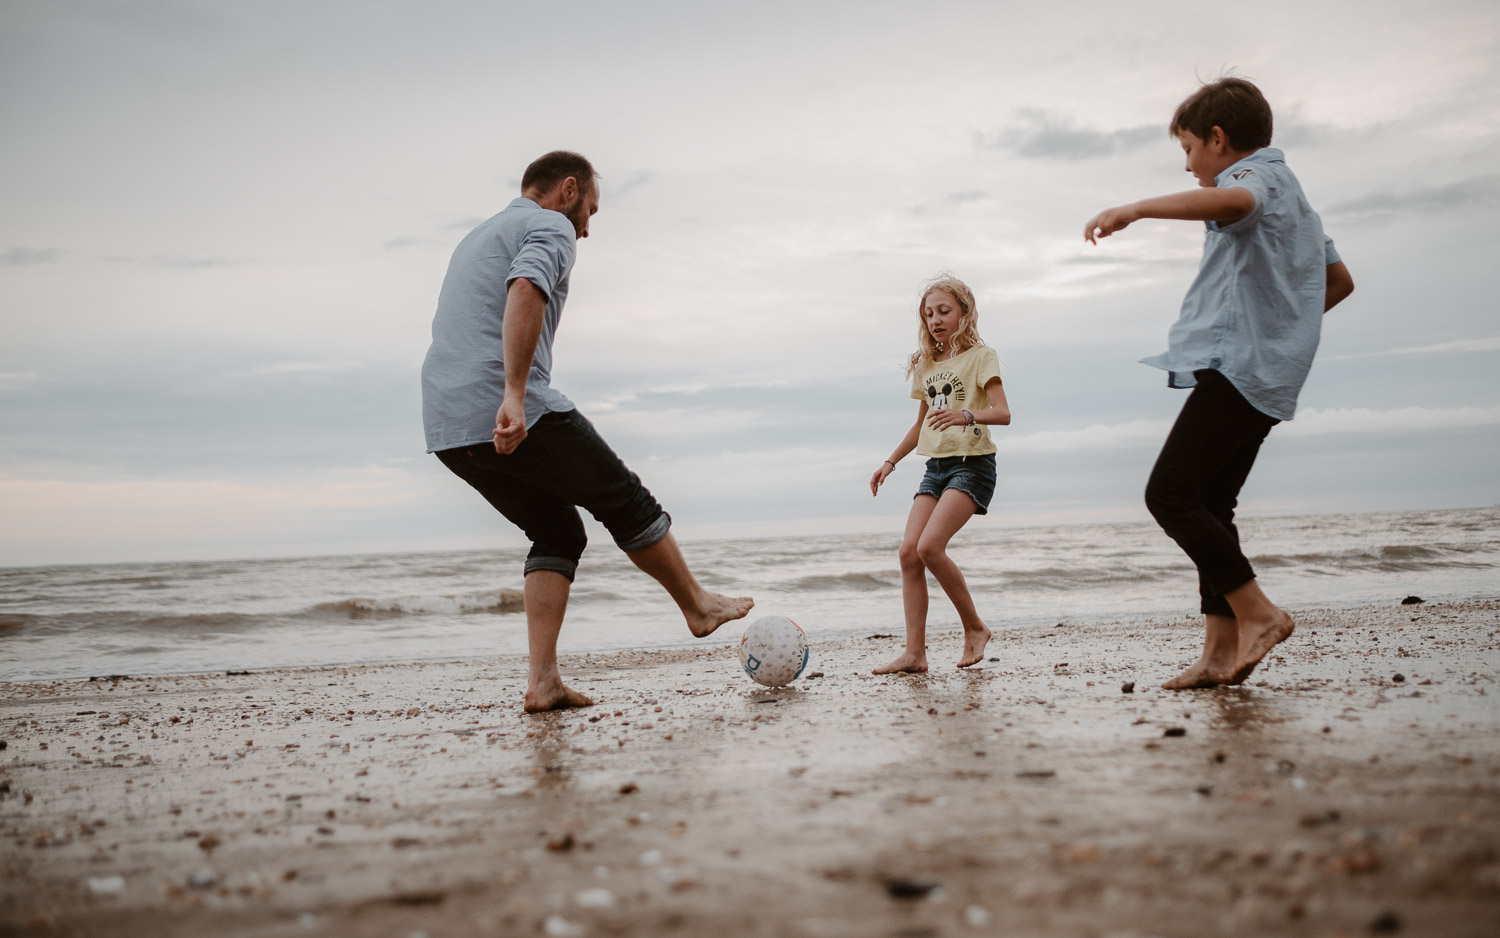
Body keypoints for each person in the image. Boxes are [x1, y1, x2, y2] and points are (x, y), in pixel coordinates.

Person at [421, 150, 753, 712]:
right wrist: (515, 396)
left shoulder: (477, 235)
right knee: (624, 498)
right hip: (502, 403)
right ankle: (697, 606)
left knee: (556, 532)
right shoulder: (549, 222)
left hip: (446, 424)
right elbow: (526, 287)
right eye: (590, 212)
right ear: (567, 189)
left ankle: (542, 682)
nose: (587, 229)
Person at [1083, 77, 1355, 689]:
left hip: (1239, 367)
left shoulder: (1251, 181)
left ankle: (1259, 613)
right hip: (1273, 371)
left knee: (1170, 495)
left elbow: (1237, 206)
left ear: (1218, 138)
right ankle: (1217, 653)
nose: (1189, 167)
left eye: (1188, 151)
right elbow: (1338, 281)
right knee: (1211, 505)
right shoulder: (1299, 200)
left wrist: (1136, 208)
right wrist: (1285, 328)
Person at [869, 275, 1011, 673]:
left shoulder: (982, 357)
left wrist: (966, 414)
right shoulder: (927, 366)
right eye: (929, 313)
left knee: (930, 547)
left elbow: (1003, 412)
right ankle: (915, 654)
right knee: (909, 554)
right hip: (936, 469)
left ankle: (975, 628)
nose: (935, 319)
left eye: (944, 311)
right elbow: (921, 427)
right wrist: (890, 462)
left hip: (973, 466)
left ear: (964, 313)